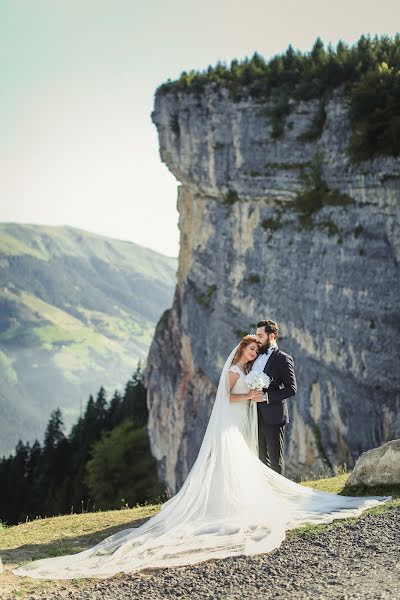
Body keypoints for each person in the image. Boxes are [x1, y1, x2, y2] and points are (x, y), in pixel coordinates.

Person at [13, 335, 389, 580]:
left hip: (244, 421)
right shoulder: (232, 371)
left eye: (256, 351)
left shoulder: (246, 370)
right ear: (241, 350)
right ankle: (231, 503)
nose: (252, 354)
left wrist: (258, 390)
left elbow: (259, 389)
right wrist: (252, 395)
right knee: (236, 463)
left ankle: (238, 500)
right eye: (249, 350)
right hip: (233, 422)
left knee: (247, 464)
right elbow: (230, 398)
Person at [252, 320, 296, 475]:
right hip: (254, 415)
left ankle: (280, 495)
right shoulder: (255, 356)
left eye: (260, 335)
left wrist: (266, 397)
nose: (257, 339)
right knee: (260, 459)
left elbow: (291, 389)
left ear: (271, 336)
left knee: (275, 461)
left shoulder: (283, 358)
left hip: (273, 415)